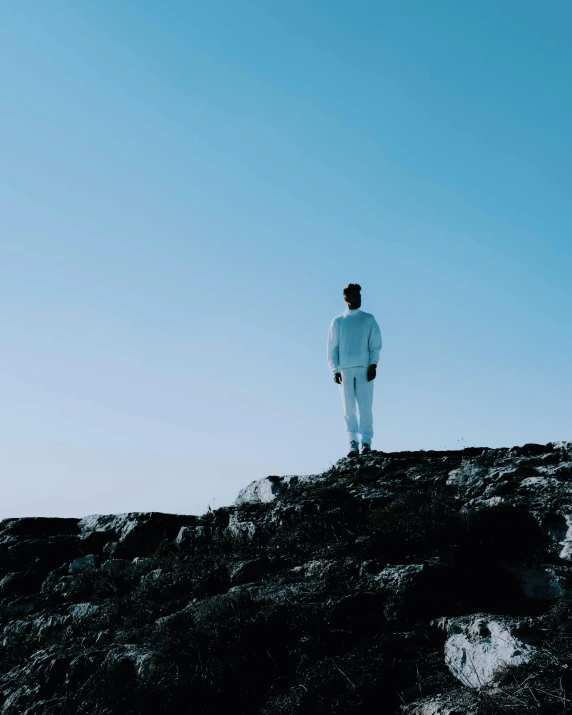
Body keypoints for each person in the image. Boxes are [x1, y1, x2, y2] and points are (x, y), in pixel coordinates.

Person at [327, 283, 382, 457]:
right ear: (347, 298)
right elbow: (332, 349)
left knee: (366, 407)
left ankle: (366, 442)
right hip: (345, 371)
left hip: (364, 369)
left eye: (360, 295)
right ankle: (353, 442)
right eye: (356, 296)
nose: (359, 299)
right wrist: (335, 371)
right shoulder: (338, 322)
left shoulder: (368, 319)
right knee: (348, 408)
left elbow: (375, 345)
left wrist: (373, 364)